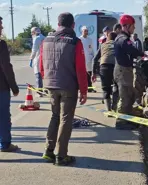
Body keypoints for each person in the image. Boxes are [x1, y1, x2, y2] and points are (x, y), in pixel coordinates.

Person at [40, 12, 88, 166]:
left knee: (55, 116)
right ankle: (61, 155)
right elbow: (80, 69)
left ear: (58, 24)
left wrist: (45, 80)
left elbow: (41, 65)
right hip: (68, 86)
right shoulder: (75, 42)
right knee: (66, 119)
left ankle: (48, 151)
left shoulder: (45, 40)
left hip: (51, 85)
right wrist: (84, 90)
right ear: (73, 25)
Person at [114, 14, 144, 130]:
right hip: (123, 70)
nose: (134, 28)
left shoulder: (124, 38)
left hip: (125, 69)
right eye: (133, 26)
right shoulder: (122, 39)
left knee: (129, 95)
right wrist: (143, 54)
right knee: (125, 96)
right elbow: (131, 49)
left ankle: (126, 118)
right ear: (126, 26)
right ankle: (121, 122)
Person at [0, 16, 20, 152]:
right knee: (3, 116)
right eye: (0, 25)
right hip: (1, 87)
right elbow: (6, 66)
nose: (2, 28)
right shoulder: (1, 44)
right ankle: (5, 144)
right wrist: (14, 86)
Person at [92, 32, 119, 111]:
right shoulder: (118, 44)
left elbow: (94, 59)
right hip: (115, 66)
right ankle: (114, 106)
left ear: (108, 38)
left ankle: (108, 110)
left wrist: (93, 73)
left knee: (105, 89)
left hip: (104, 67)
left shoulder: (103, 45)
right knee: (116, 86)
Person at [79, 26, 96, 93]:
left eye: (87, 31)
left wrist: (93, 56)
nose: (86, 32)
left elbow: (91, 49)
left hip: (89, 59)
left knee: (89, 74)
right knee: (83, 75)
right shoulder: (79, 39)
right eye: (85, 31)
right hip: (82, 59)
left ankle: (90, 88)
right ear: (82, 31)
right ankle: (83, 88)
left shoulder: (90, 40)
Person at [30, 27, 45, 97]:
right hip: (44, 59)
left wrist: (31, 58)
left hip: (38, 58)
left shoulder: (36, 38)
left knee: (38, 75)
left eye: (32, 32)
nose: (31, 34)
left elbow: (34, 50)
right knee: (42, 75)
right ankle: (42, 90)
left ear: (34, 32)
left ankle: (39, 91)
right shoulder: (44, 37)